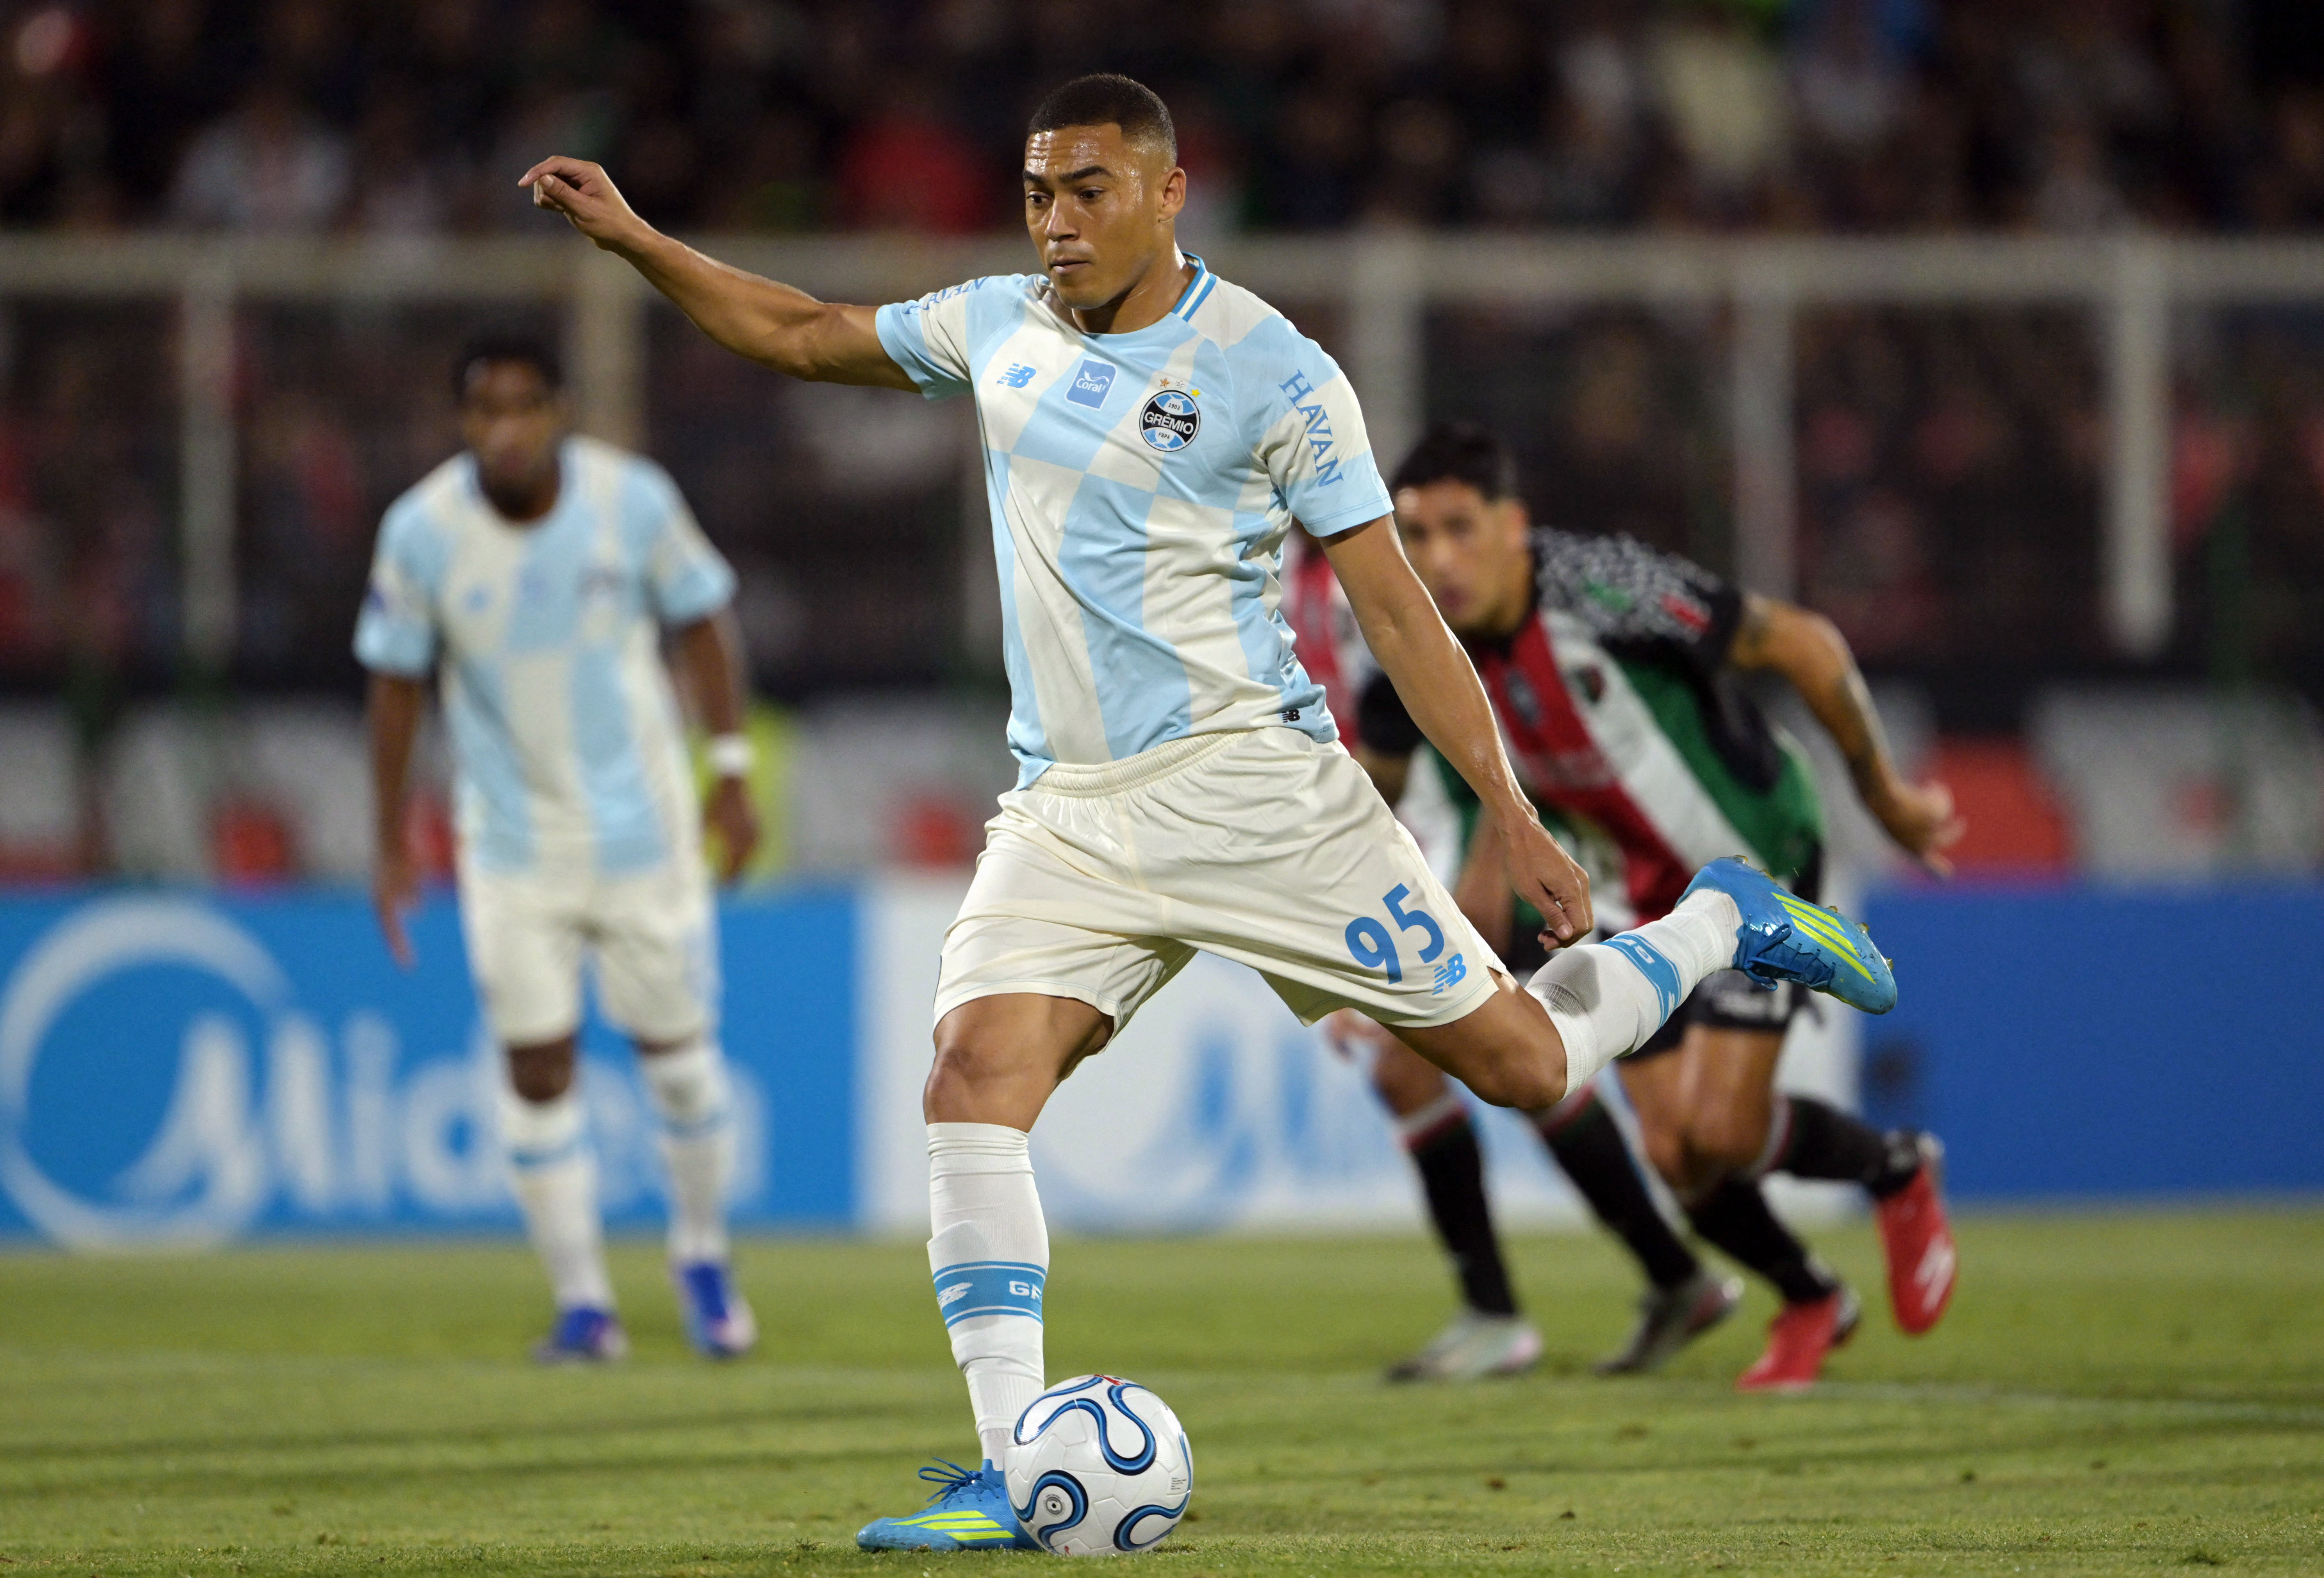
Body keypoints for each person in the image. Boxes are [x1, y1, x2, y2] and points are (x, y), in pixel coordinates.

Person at [518, 74, 1897, 1550]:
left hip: (1256, 792)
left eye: (1089, 189)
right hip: (1068, 809)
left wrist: (1503, 807)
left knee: (1526, 1060)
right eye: (1040, 191)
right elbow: (795, 333)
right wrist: (640, 243)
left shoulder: (1272, 368)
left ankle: (1720, 916)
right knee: (970, 1078)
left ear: (1170, 194)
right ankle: (1009, 1465)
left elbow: (1395, 605)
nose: (1054, 222)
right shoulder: (996, 325)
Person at [1344, 421, 1962, 1391]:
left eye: (1459, 528)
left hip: (1753, 854)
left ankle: (1892, 1165)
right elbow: (1378, 801)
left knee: (1714, 1130)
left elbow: (1798, 641)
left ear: (1513, 524)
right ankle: (1810, 1292)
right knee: (1677, 1149)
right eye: (1414, 536)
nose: (1436, 560)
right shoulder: (1416, 653)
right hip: (1631, 887)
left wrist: (1881, 794)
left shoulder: (1599, 585)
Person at [356, 330, 762, 1365]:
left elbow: (705, 622)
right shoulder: (420, 531)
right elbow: (396, 682)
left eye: (523, 407)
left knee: (679, 1068)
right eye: (484, 411)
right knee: (535, 1069)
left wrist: (730, 770)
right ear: (463, 423)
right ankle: (584, 1303)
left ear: (559, 412)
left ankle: (703, 1256)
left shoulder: (632, 502)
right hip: (511, 848)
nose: (505, 430)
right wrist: (388, 834)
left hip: (643, 835)